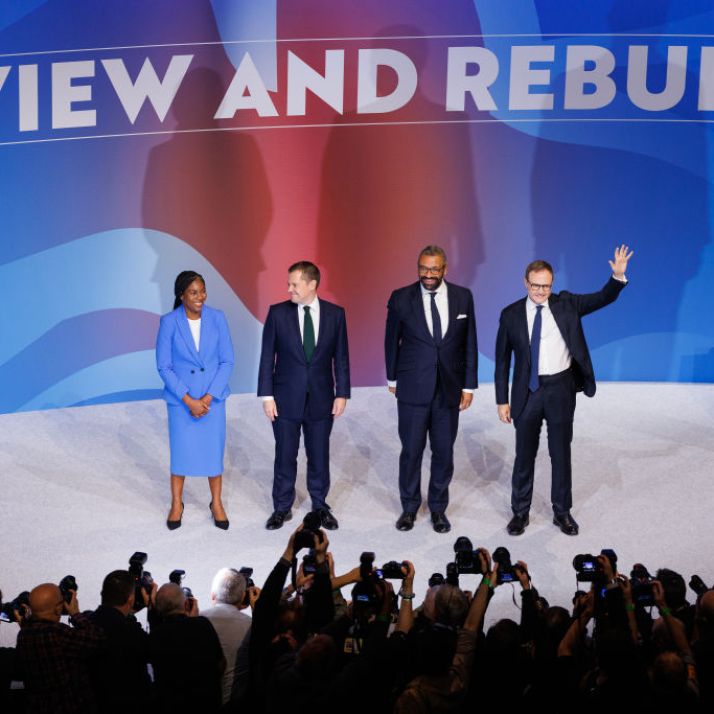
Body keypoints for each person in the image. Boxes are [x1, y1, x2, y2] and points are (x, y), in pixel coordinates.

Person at [495, 245, 633, 536]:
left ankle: (562, 512)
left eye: (546, 286)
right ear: (525, 283)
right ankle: (520, 513)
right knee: (524, 456)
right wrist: (502, 400)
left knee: (560, 454)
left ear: (552, 284)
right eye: (536, 285)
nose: (541, 291)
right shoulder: (510, 315)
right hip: (527, 393)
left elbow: (603, 297)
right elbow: (502, 361)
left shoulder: (567, 304)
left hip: (560, 389)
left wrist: (617, 277)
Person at [385, 245, 478, 533]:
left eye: (434, 269)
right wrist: (392, 379)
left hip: (448, 389)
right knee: (411, 451)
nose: (428, 274)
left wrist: (468, 385)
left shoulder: (463, 297)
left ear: (444, 269)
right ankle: (409, 508)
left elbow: (470, 342)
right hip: (412, 387)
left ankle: (438, 509)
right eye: (423, 268)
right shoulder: (401, 297)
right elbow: (391, 341)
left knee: (443, 452)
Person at [258, 261, 350, 530]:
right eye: (289, 284)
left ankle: (320, 506)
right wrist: (267, 396)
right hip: (285, 399)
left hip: (322, 398)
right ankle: (281, 508)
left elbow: (341, 357)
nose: (289, 289)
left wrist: (342, 393)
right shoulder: (278, 314)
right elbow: (267, 357)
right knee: (285, 455)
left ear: (312, 284)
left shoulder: (335, 315)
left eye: (294, 284)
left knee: (319, 455)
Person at [156, 270, 235, 530]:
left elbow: (227, 361)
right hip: (182, 402)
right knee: (181, 454)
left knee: (213, 453)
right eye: (193, 292)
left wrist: (208, 397)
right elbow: (164, 366)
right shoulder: (169, 322)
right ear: (181, 295)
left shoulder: (218, 318)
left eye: (202, 291)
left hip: (213, 400)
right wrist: (189, 400)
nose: (200, 296)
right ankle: (176, 503)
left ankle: (217, 503)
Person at [16, 583, 104, 714]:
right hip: (68, 707)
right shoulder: (57, 632)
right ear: (58, 608)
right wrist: (75, 614)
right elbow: (98, 639)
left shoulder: (23, 634)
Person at [149, 583, 225, 712]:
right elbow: (221, 664)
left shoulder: (156, 635)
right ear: (186, 604)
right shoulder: (203, 625)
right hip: (206, 704)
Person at [89, 570, 152, 713]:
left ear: (102, 594)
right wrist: (153, 610)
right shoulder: (131, 632)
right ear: (130, 599)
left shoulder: (86, 624)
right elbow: (158, 651)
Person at [201, 568, 253, 706]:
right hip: (237, 702)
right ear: (243, 596)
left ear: (213, 595)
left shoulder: (197, 620)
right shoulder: (250, 625)